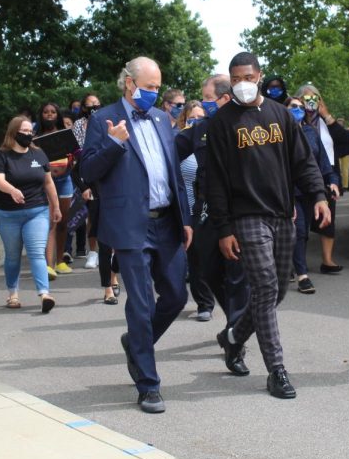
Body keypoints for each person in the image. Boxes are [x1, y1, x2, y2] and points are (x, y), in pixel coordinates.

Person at [206, 52, 330, 399]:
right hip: (246, 217)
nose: (242, 84)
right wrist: (223, 228)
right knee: (263, 287)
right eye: (236, 79)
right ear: (230, 81)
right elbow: (213, 179)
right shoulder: (222, 122)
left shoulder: (280, 115)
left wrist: (318, 195)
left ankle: (232, 338)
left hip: (282, 214)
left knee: (276, 290)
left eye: (248, 76)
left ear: (259, 76)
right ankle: (276, 369)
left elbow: (303, 161)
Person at [79, 56, 192, 414]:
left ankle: (136, 343)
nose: (155, 94)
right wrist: (112, 144)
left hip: (167, 222)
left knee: (175, 296)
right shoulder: (102, 119)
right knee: (141, 303)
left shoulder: (161, 118)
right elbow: (87, 171)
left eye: (158, 87)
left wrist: (185, 218)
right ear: (130, 83)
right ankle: (148, 384)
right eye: (151, 87)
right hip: (130, 225)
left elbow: (173, 171)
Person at [176, 75, 251, 341]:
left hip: (241, 211)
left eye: (208, 98)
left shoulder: (247, 124)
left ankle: (235, 333)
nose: (204, 103)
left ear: (225, 98)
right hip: (207, 208)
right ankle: (235, 321)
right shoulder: (199, 129)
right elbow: (169, 153)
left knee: (237, 274)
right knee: (206, 266)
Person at [0, 116, 61, 312]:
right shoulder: (1, 155)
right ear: (14, 132)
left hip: (37, 211)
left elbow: (48, 182)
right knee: (13, 255)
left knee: (36, 252)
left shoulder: (38, 154)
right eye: (25, 131)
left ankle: (44, 294)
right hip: (7, 214)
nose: (29, 135)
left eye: (31, 131)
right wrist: (12, 190)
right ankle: (13, 293)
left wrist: (55, 206)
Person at [285, 97, 339, 295]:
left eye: (301, 107)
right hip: (289, 192)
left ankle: (291, 265)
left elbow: (322, 162)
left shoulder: (311, 133)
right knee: (298, 230)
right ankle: (302, 275)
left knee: (303, 233)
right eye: (293, 107)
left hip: (309, 191)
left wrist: (332, 181)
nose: (298, 110)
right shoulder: (280, 134)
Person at [294, 84, 347, 274]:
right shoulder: (294, 121)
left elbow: (345, 141)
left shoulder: (324, 123)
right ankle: (298, 265)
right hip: (299, 178)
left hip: (326, 172)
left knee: (327, 217)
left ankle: (327, 260)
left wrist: (327, 115)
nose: (310, 102)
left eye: (314, 98)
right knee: (300, 225)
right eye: (306, 98)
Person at [175, 100, 214, 320]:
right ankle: (204, 304)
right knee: (195, 259)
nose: (196, 123)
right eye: (192, 119)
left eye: (201, 119)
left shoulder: (209, 143)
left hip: (207, 208)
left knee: (208, 257)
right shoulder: (181, 143)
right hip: (184, 209)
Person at [36, 102, 74, 278]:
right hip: (45, 182)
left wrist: (70, 163)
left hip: (65, 180)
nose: (49, 115)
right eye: (46, 112)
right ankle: (48, 265)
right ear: (41, 115)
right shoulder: (36, 137)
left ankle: (60, 261)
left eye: (53, 112)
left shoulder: (65, 135)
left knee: (63, 222)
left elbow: (75, 154)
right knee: (50, 221)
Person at [72, 93, 102, 269]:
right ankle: (93, 252)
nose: (94, 108)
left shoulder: (106, 120)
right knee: (92, 214)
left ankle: (112, 253)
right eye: (90, 105)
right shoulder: (79, 125)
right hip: (85, 168)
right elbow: (76, 148)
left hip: (103, 168)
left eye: (97, 104)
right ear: (84, 108)